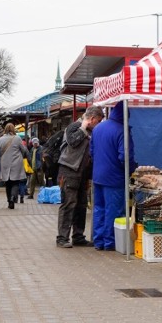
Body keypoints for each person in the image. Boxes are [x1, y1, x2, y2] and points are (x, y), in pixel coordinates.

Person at [90, 102, 137, 251]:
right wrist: (132, 169)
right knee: (113, 211)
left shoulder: (97, 128)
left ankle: (98, 241)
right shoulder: (122, 130)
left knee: (99, 209)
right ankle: (110, 242)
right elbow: (125, 156)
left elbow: (91, 152)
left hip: (98, 176)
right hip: (114, 178)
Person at [56, 106, 104, 248]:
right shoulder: (73, 127)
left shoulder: (92, 132)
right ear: (92, 119)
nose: (99, 124)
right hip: (68, 171)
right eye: (99, 121)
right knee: (68, 204)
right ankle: (62, 238)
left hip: (82, 174)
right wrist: (83, 128)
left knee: (81, 205)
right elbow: (73, 142)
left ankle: (78, 236)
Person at [0, 123, 30, 210]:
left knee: (8, 184)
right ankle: (13, 197)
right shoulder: (17, 138)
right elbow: (23, 150)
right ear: (13, 129)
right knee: (15, 183)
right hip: (16, 163)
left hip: (5, 163)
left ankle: (9, 201)